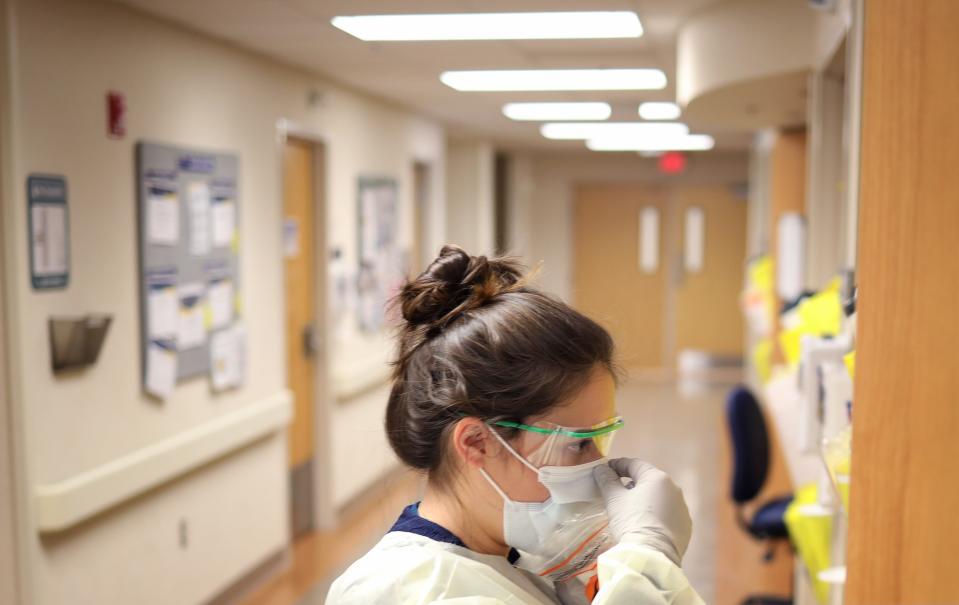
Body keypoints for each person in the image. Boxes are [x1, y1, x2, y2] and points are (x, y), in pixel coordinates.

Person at [328, 245, 703, 605]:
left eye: (601, 440)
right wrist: (648, 563)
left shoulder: (512, 553)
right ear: (476, 442)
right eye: (577, 443)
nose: (599, 469)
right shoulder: (414, 591)